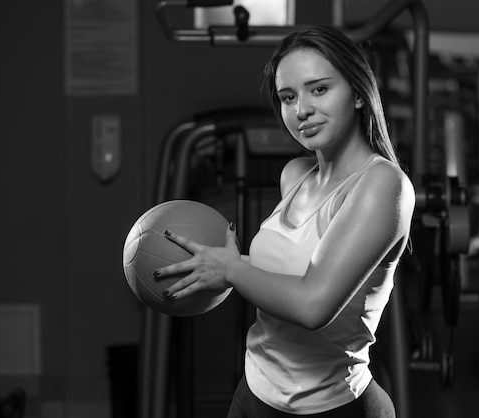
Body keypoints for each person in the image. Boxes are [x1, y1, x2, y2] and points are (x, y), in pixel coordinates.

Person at [155, 24, 415, 417]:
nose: (301, 110)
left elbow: (313, 305)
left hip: (332, 407)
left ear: (359, 94)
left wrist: (229, 268)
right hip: (253, 396)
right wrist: (215, 265)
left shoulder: (384, 185)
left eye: (319, 89)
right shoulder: (295, 175)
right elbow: (280, 279)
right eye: (287, 97)